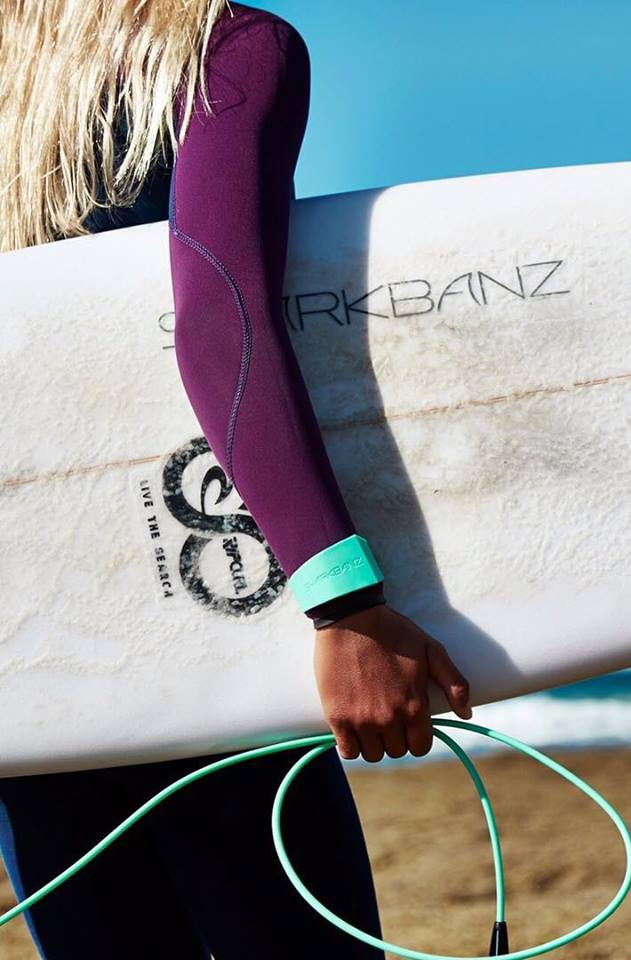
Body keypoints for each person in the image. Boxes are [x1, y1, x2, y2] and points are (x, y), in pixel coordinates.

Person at [0, 2, 472, 957]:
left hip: (24, 647)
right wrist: (343, 603)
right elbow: (219, 319)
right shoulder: (224, 47)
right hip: (197, 602)